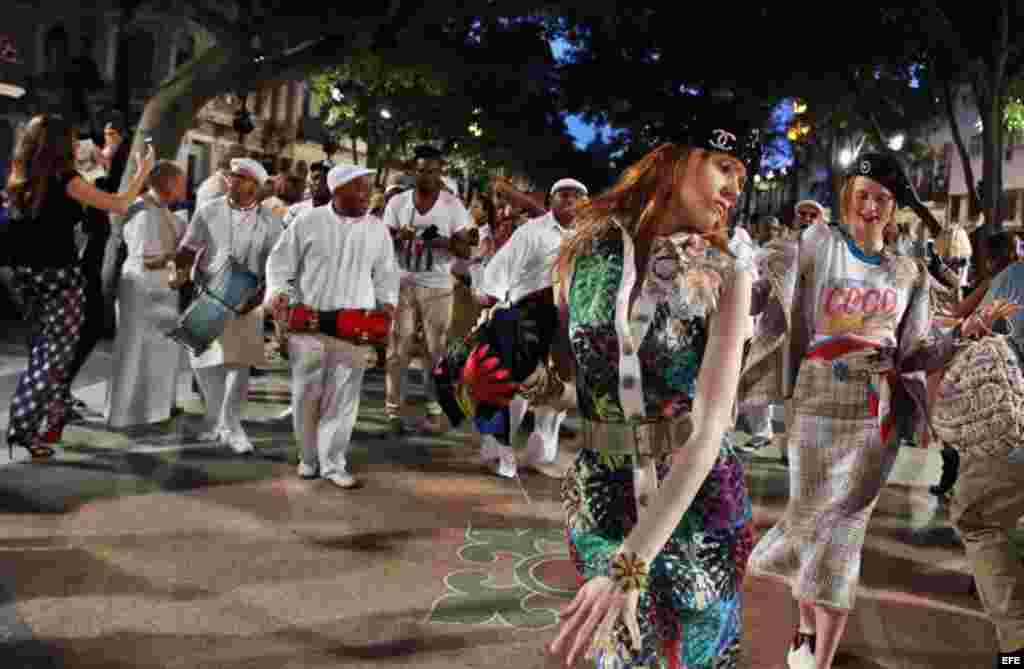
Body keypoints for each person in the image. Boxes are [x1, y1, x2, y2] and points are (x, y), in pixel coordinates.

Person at [746, 153, 1006, 669]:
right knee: (813, 518)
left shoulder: (906, 270)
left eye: (882, 199)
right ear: (848, 198)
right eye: (863, 195)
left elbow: (918, 351)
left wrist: (964, 332)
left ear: (893, 208)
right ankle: (803, 628)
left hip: (875, 414)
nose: (871, 206)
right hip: (815, 404)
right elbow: (762, 292)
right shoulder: (816, 248)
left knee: (843, 526)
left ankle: (819, 657)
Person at [535, 110, 759, 668]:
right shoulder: (583, 257)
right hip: (602, 502)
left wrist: (629, 566)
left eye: (742, 175)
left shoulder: (729, 273)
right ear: (673, 161)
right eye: (724, 167)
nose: (735, 188)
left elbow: (710, 427)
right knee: (623, 658)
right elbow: (580, 397)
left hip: (698, 509)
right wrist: (530, 384)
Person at [3, 113, 154, 459]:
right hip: (59, 278)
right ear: (60, 142)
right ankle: (23, 428)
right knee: (53, 357)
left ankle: (52, 420)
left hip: (26, 278)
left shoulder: (21, 175)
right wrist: (143, 170)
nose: (76, 143)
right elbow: (118, 204)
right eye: (71, 138)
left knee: (46, 351)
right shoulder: (65, 179)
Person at [266, 164, 398, 489]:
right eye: (359, 188)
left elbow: (385, 273)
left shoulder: (377, 229)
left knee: (344, 397)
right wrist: (279, 293)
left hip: (354, 325)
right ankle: (308, 459)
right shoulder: (308, 221)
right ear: (338, 190)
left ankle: (333, 462)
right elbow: (280, 263)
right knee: (305, 393)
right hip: (308, 322)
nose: (367, 195)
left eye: (368, 188)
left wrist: (387, 303)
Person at [473, 178, 587, 479]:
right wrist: (493, 304)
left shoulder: (589, 238)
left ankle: (542, 449)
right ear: (551, 200)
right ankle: (500, 449)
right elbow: (500, 268)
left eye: (577, 196)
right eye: (563, 195)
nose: (570, 201)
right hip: (529, 313)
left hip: (569, 318)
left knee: (561, 384)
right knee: (519, 384)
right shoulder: (531, 232)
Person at [169, 158, 282, 453]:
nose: (232, 180)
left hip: (247, 298)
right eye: (231, 175)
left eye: (241, 177)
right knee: (201, 359)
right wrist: (178, 271)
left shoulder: (270, 221)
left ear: (254, 186)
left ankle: (232, 426)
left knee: (238, 363)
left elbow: (277, 265)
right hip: (208, 292)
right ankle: (214, 418)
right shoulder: (208, 210)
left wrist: (260, 297)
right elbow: (188, 248)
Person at [382, 145, 475, 434]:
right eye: (421, 170)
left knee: (435, 352)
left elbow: (465, 250)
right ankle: (393, 411)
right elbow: (382, 242)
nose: (427, 176)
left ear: (440, 172)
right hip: (403, 283)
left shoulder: (452, 205)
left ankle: (433, 410)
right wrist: (399, 236)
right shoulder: (397, 203)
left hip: (438, 286)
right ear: (412, 171)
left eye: (433, 171)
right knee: (398, 349)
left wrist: (442, 242)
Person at [105, 161, 188, 427]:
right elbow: (147, 259)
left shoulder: (162, 210)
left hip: (160, 289)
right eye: (181, 181)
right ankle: (125, 413)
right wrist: (179, 257)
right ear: (168, 183)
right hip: (142, 289)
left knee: (157, 354)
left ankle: (152, 410)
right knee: (133, 352)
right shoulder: (144, 210)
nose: (184, 187)